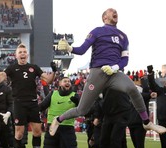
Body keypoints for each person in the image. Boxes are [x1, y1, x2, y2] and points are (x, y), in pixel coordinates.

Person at [50, 8, 166, 136]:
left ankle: (146, 122)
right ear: (104, 17)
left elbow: (125, 60)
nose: (115, 12)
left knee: (132, 89)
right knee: (82, 110)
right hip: (97, 73)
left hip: (114, 73)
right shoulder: (97, 31)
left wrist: (115, 67)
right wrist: (69, 48)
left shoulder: (123, 36)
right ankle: (58, 119)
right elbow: (82, 50)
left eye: (116, 11)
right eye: (111, 11)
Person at [0, 43, 56, 148]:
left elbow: (48, 80)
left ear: (27, 54)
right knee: (19, 134)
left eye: (24, 52)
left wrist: (54, 71)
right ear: (16, 55)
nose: (22, 54)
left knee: (38, 132)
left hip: (33, 103)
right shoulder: (12, 68)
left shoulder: (34, 68)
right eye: (20, 52)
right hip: (19, 103)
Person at [39, 77, 79, 148]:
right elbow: (42, 106)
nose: (67, 83)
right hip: (53, 127)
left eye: (69, 81)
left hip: (67, 127)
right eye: (65, 81)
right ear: (60, 83)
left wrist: (78, 102)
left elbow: (84, 110)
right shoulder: (53, 94)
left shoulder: (74, 95)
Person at [147, 65, 166, 148]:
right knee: (164, 144)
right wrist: (150, 73)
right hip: (162, 122)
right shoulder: (161, 91)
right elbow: (153, 85)